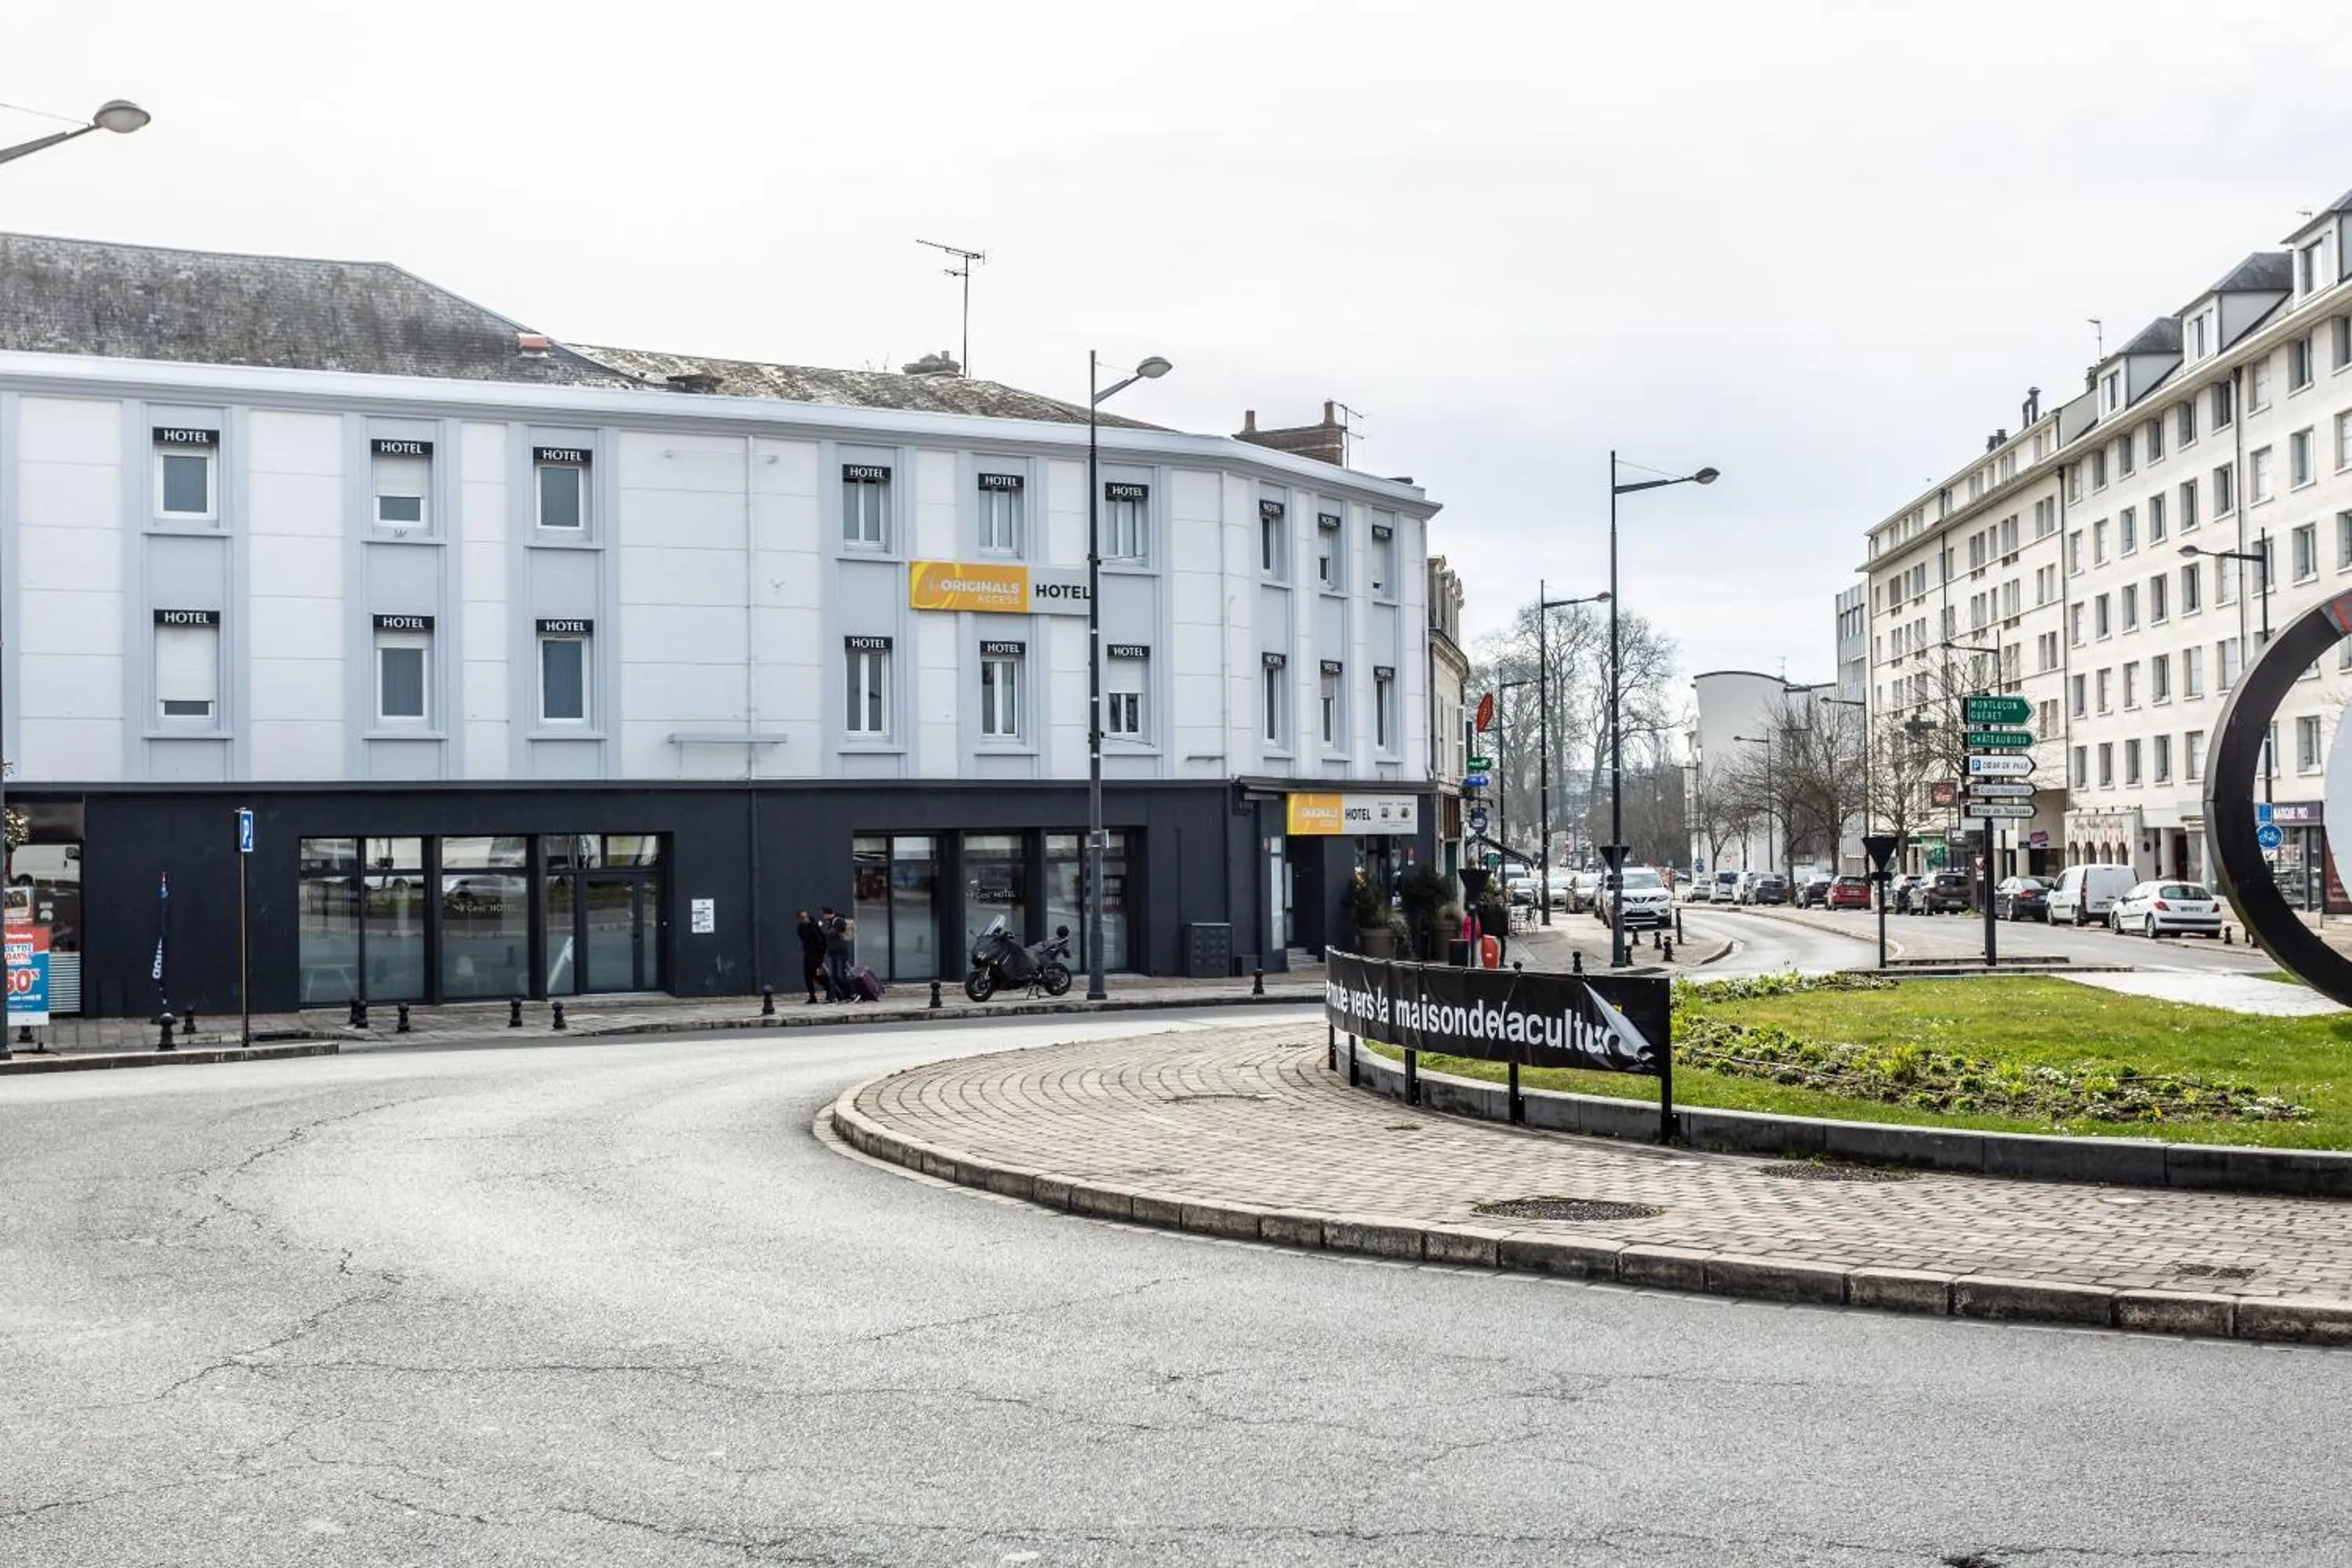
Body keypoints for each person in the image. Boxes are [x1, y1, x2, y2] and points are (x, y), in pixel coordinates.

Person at [797, 909, 836, 1004]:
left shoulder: (816, 925)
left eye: (806, 917)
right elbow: (803, 940)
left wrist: (821, 955)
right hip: (808, 955)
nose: (805, 919)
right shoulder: (801, 928)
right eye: (802, 918)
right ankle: (812, 996)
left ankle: (831, 994)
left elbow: (822, 939)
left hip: (818, 956)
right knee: (808, 975)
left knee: (820, 975)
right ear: (799, 919)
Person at [826, 907, 858, 1001]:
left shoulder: (838, 921)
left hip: (840, 952)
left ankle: (853, 993)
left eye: (823, 914)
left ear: (827, 914)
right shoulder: (831, 923)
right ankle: (835, 996)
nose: (823, 917)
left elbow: (831, 934)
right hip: (833, 952)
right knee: (835, 976)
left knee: (841, 975)